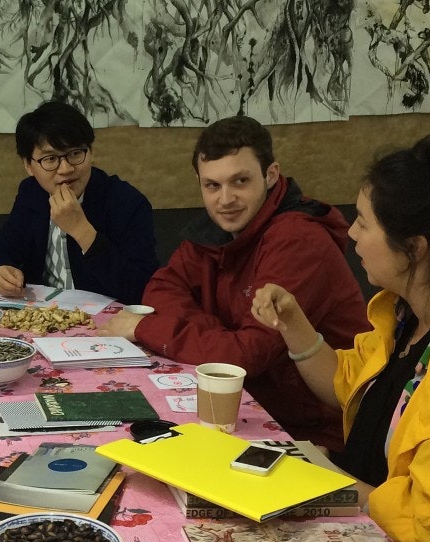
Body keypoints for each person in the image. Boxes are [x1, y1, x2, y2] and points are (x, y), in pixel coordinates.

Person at [250, 131, 430, 542]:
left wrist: (327, 483)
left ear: (415, 249)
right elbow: (347, 382)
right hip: (358, 528)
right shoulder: (405, 314)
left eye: (365, 223)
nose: (351, 233)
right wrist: (293, 322)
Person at [99, 115, 368, 452]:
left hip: (319, 433)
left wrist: (147, 328)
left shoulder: (298, 240)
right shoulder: (221, 226)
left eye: (240, 181)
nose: (225, 199)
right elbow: (163, 288)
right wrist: (222, 340)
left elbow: (245, 357)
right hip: (250, 409)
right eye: (212, 185)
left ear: (271, 175)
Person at [0, 101, 158, 304]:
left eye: (75, 153)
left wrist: (82, 231)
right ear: (28, 165)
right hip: (43, 316)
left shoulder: (127, 202)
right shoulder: (32, 193)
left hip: (106, 324)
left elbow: (142, 289)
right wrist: (1, 270)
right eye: (50, 159)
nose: (65, 169)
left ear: (91, 153)